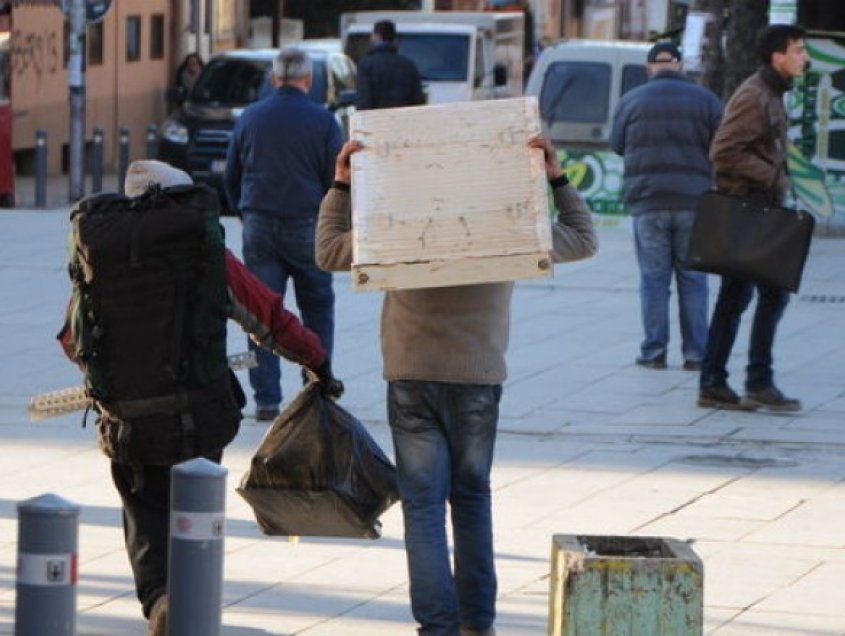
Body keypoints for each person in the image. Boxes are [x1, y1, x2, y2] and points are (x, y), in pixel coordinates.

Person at [315, 135, 598, 636]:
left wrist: (341, 184)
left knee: (422, 508)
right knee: (471, 499)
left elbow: (328, 250)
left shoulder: (398, 225)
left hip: (410, 376)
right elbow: (583, 237)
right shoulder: (505, 223)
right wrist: (556, 177)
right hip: (476, 379)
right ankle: (477, 623)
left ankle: (437, 627)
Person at [58, 160, 342, 636]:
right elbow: (267, 316)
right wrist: (317, 362)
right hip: (199, 414)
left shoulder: (100, 253)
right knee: (192, 509)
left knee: (144, 512)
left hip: (129, 419)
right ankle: (192, 599)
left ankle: (160, 599)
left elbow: (72, 338)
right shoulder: (203, 250)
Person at [224, 46, 343, 421]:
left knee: (260, 313)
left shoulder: (250, 118)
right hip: (308, 225)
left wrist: (244, 211)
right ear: (308, 80)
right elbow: (336, 180)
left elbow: (230, 175)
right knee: (317, 308)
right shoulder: (324, 121)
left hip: (259, 223)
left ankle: (266, 400)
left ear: (274, 79)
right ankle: (317, 389)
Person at [698, 24, 810, 411]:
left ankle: (726, 380)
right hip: (749, 211)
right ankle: (743, 381)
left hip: (761, 210)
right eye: (798, 50)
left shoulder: (771, 92)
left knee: (749, 296)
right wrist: (774, 176)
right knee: (754, 295)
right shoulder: (754, 95)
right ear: (778, 57)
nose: (804, 58)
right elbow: (724, 151)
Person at [610, 41, 723, 371]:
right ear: (680, 66)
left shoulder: (631, 101)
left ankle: (654, 351)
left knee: (654, 280)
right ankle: (696, 354)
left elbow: (617, 144)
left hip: (648, 202)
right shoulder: (706, 100)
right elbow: (722, 146)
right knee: (694, 280)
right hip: (695, 203)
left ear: (649, 68)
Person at [356, 20, 425, 110]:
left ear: (377, 36)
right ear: (394, 39)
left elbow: (364, 100)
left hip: (376, 120)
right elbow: (417, 100)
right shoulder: (408, 65)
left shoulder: (366, 64)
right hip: (402, 119)